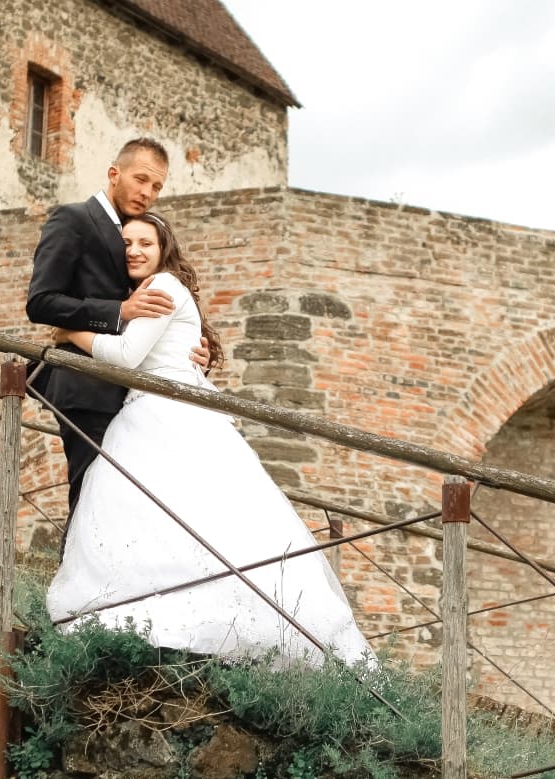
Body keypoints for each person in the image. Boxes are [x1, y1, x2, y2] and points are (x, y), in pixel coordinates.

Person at [45, 212, 374, 667]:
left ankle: (216, 623)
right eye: (126, 243)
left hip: (164, 411)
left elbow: (125, 356)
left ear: (164, 250)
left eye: (145, 242)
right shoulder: (140, 293)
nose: (134, 251)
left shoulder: (162, 286)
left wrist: (67, 333)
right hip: (159, 406)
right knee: (163, 517)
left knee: (185, 515)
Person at [26, 138, 207, 534]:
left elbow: (148, 319)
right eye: (141, 179)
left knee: (119, 504)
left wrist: (187, 351)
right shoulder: (72, 219)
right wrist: (116, 312)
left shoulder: (126, 233)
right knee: (90, 498)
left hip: (126, 393)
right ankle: (73, 594)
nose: (148, 192)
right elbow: (40, 302)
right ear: (114, 173)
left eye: (157, 186)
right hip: (85, 385)